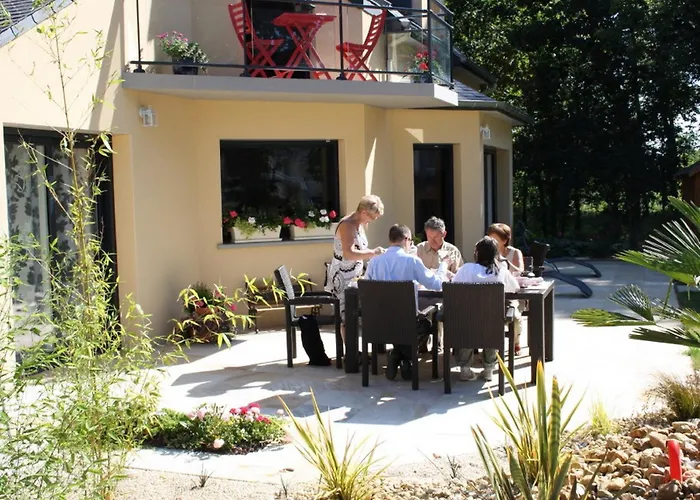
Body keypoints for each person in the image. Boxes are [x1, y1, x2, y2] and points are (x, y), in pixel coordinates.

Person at [364, 224, 449, 381]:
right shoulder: (412, 261)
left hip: (378, 322)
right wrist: (443, 265)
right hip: (407, 322)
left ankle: (399, 355)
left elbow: (366, 286)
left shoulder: (374, 262)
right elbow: (436, 284)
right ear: (406, 239)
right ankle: (403, 359)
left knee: (402, 321)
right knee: (423, 323)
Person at [452, 236, 520, 382]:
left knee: (467, 323)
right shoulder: (501, 271)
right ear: (496, 254)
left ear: (477, 253)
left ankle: (465, 369)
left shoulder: (466, 269)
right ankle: (489, 369)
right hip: (492, 322)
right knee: (492, 322)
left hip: (467, 321)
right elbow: (515, 288)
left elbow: (454, 287)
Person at [325, 195, 385, 341]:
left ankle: (361, 348)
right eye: (372, 217)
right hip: (343, 277)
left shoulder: (359, 223)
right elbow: (349, 253)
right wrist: (373, 253)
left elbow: (360, 248)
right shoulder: (347, 225)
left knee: (359, 313)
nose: (372, 221)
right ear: (363, 212)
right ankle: (350, 351)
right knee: (347, 316)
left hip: (355, 275)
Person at [486, 222, 525, 353]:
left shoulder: (514, 252)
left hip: (512, 294)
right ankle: (489, 348)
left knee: (515, 316)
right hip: (491, 295)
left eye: (495, 239)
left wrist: (505, 262)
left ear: (504, 240)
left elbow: (520, 271)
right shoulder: (486, 252)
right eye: (489, 238)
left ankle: (516, 342)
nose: (492, 242)